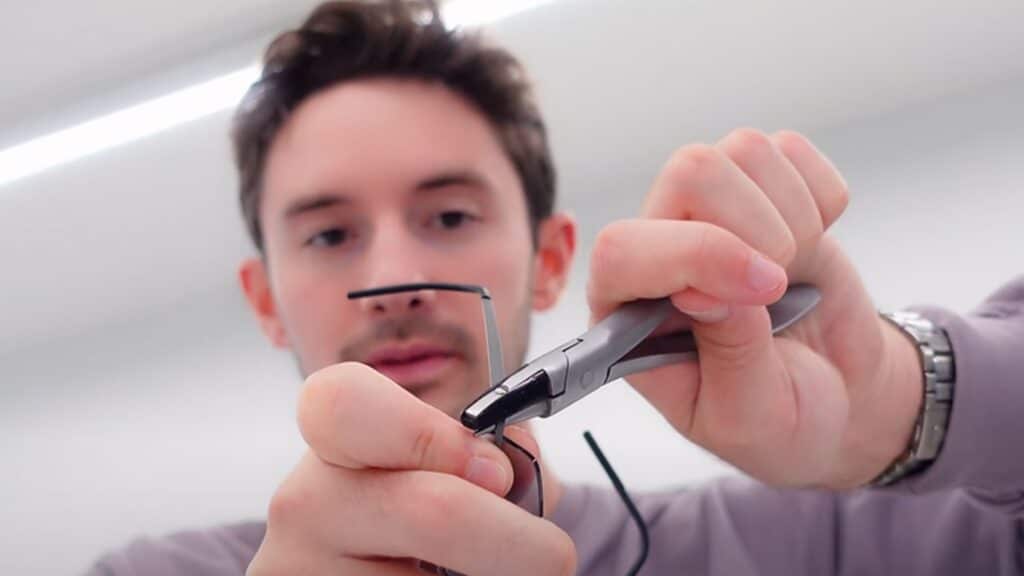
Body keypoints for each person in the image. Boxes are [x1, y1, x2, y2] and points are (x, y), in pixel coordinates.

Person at [86, 1, 1024, 575]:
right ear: (264, 297)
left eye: (449, 216)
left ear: (546, 258)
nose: (390, 282)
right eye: (330, 234)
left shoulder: (810, 545)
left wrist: (912, 397)